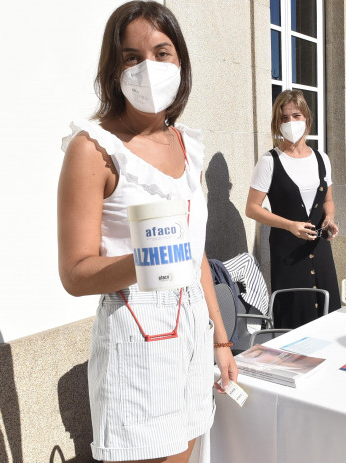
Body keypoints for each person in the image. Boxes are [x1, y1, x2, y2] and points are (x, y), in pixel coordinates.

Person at [56, 2, 237, 462]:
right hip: (138, 339)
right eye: (132, 57)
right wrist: (146, 261)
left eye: (162, 52)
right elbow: (75, 274)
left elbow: (194, 256)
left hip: (193, 335)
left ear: (181, 62)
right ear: (113, 68)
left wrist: (219, 340)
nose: (148, 68)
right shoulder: (93, 149)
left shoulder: (186, 145)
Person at [245, 90, 340, 329]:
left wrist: (329, 218)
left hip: (320, 252)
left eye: (295, 116)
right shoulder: (270, 161)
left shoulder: (321, 158)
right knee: (294, 318)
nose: (290, 123)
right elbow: (252, 209)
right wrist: (290, 225)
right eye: (284, 118)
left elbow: (328, 200)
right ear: (277, 123)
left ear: (306, 118)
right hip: (287, 255)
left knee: (328, 316)